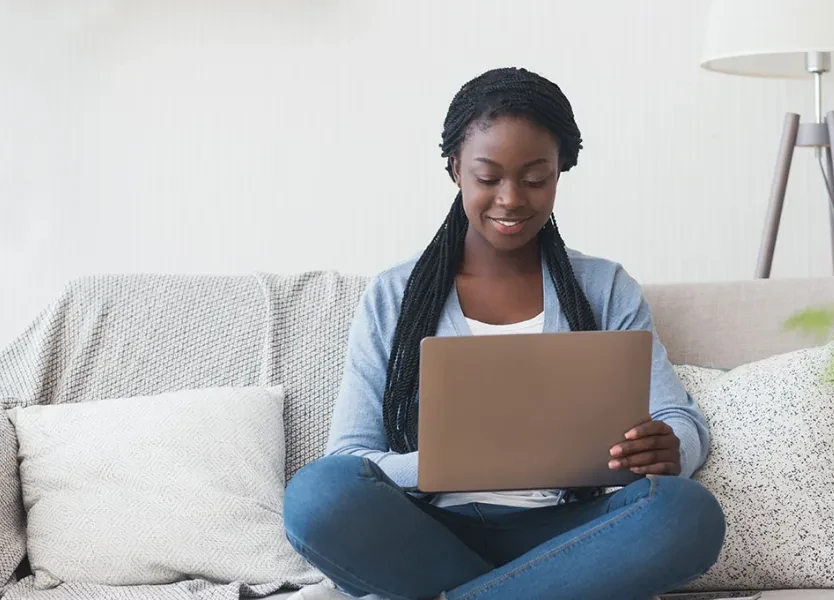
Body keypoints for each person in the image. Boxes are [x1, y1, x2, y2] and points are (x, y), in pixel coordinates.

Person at [283, 67, 725, 600]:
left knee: (687, 513)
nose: (511, 198)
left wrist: (672, 445)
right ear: (455, 170)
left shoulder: (605, 287)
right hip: (426, 534)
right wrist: (447, 463)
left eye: (535, 178)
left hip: (573, 536)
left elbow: (675, 414)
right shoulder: (394, 294)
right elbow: (352, 459)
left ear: (560, 172)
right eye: (488, 177)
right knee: (316, 496)